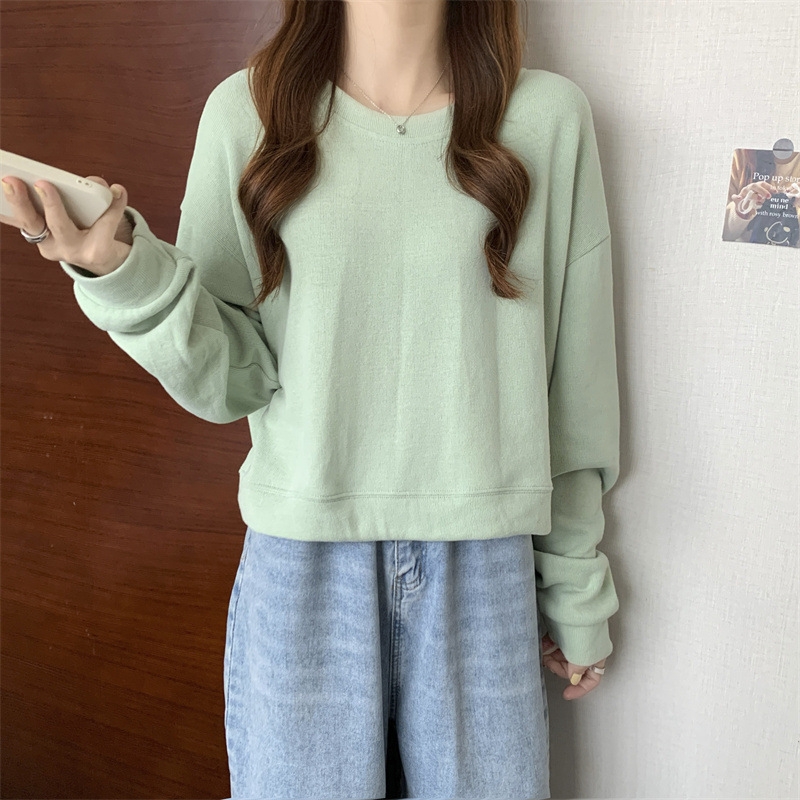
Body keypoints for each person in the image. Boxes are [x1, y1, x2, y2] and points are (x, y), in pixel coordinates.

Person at [0, 1, 621, 797]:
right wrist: (121, 270)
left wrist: (574, 586)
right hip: (302, 565)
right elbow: (232, 378)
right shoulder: (246, 114)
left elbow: (575, 386)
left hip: (484, 566)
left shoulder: (549, 119)